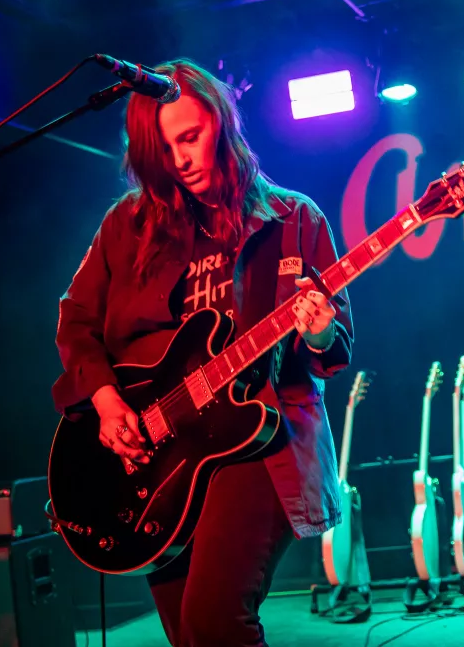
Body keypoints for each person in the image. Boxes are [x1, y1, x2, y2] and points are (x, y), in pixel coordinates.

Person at [50, 58, 354, 647]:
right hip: (159, 455)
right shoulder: (127, 226)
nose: (180, 159)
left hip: (260, 439)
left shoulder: (295, 220)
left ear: (222, 123)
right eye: (163, 149)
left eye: (189, 137)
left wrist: (317, 330)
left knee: (216, 622)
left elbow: (331, 347)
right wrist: (109, 402)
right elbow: (77, 319)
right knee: (187, 635)